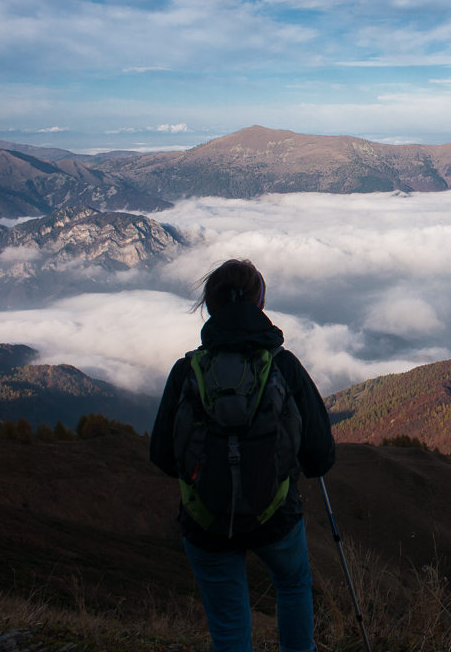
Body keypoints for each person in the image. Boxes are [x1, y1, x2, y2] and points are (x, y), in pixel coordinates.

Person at [150, 259, 335, 652]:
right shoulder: (283, 366)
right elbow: (319, 455)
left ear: (210, 307)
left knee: (230, 631)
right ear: (260, 303)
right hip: (275, 514)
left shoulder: (187, 372)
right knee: (292, 583)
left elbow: (164, 456)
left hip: (206, 520)